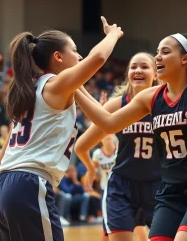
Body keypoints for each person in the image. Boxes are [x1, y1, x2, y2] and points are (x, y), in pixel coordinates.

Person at [75, 0, 187, 241]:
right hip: (171, 189)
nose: (157, 56)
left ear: (185, 58)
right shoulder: (150, 97)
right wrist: (74, 86)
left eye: (165, 52)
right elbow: (107, 122)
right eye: (156, 52)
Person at [0, 17, 123, 241]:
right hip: (29, 184)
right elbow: (98, 57)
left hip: (1, 186)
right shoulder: (56, 84)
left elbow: (108, 122)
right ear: (58, 57)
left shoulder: (27, 92)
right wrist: (112, 34)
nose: (80, 56)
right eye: (74, 50)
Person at [75, 52, 161, 241]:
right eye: (133, 67)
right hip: (122, 187)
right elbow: (81, 146)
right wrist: (91, 170)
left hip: (159, 186)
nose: (138, 70)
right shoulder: (117, 105)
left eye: (144, 67)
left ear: (155, 74)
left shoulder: (166, 103)